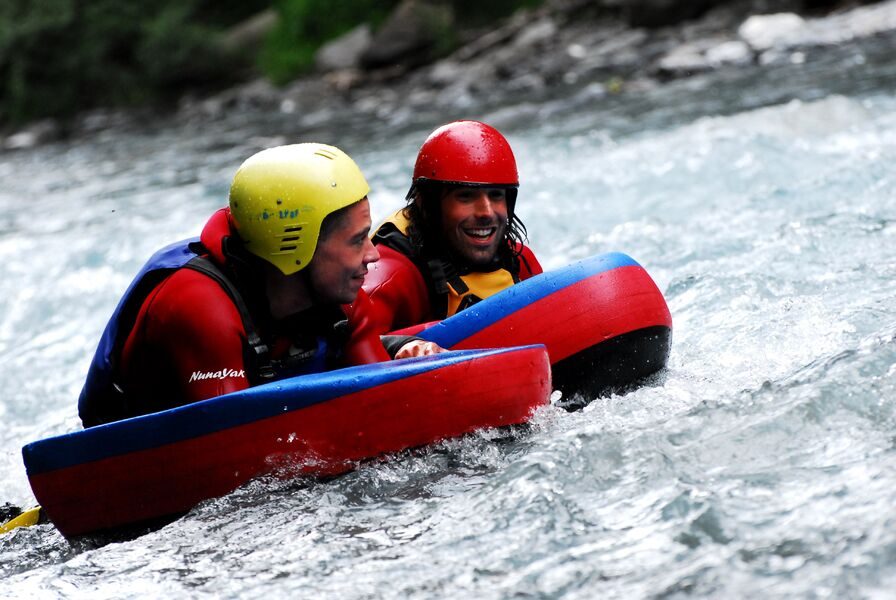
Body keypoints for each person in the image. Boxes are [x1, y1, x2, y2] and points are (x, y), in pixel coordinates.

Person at [78, 143, 440, 428]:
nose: (373, 255)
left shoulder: (341, 296)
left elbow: (379, 403)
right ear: (298, 248)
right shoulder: (199, 306)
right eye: (356, 240)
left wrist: (402, 352)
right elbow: (234, 447)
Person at [363, 120, 542, 333]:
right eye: (466, 197)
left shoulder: (519, 263)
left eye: (496, 195)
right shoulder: (390, 274)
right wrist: (401, 344)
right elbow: (347, 351)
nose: (486, 212)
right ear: (426, 204)